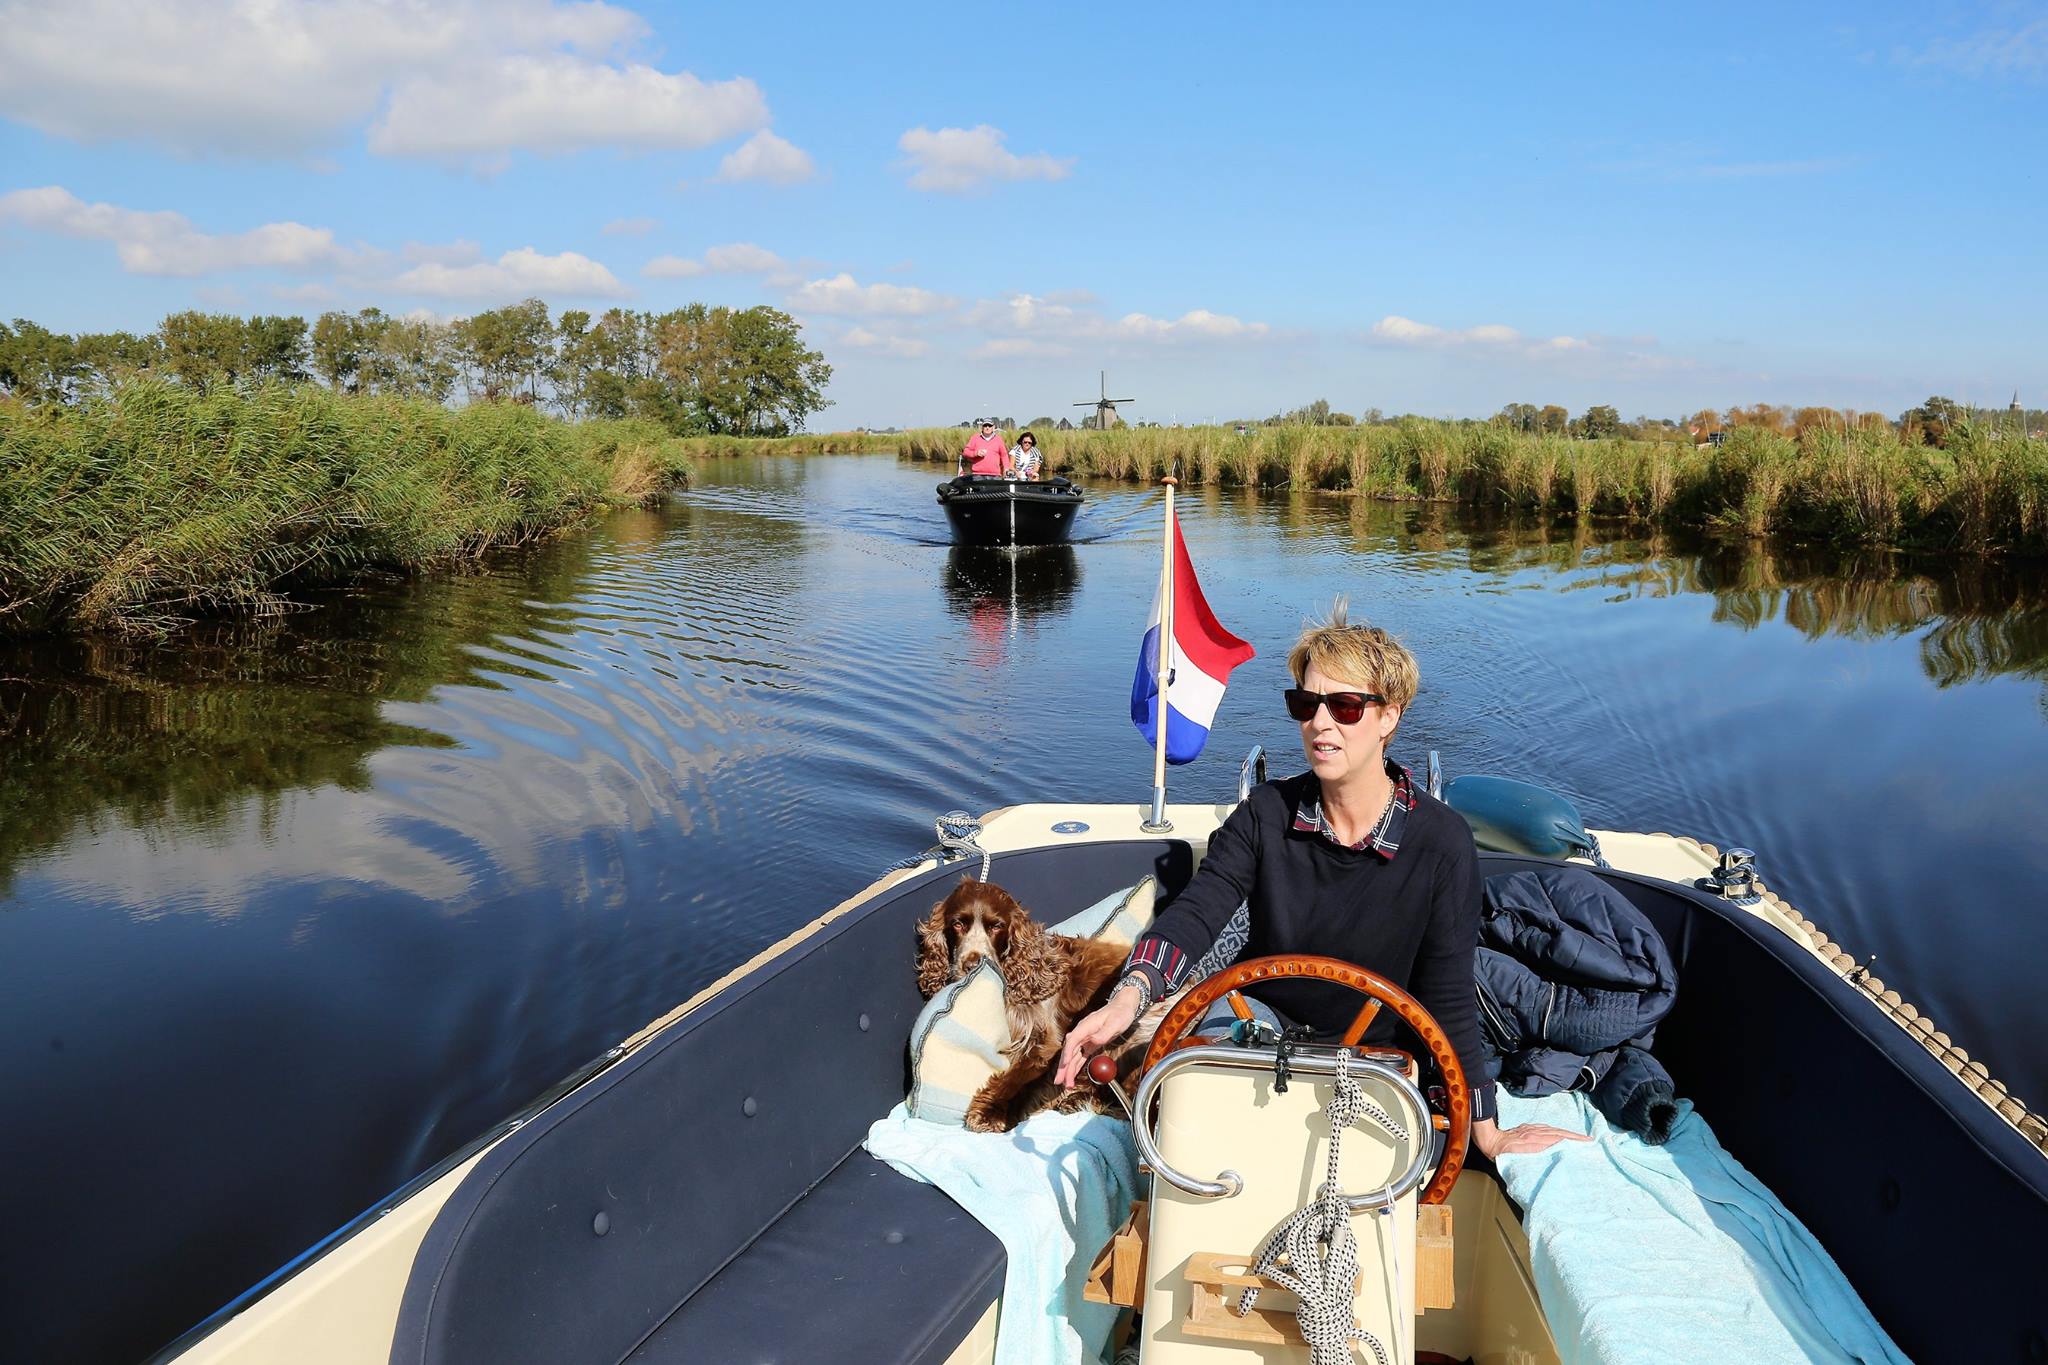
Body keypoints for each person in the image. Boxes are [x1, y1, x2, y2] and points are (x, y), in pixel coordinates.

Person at [1053, 601, 1588, 1161]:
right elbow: (1197, 913)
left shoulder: (1442, 842)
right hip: (1259, 1028)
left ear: (1390, 717)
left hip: (1375, 1055)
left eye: (1346, 706)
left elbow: (1448, 997)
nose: (1320, 723)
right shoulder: (1264, 814)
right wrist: (1128, 999)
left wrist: (1486, 1130)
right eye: (1307, 704)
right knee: (1199, 1113)